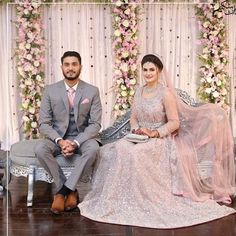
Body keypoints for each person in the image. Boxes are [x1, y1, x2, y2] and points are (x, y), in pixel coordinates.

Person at [78, 54, 235, 228]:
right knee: (120, 149)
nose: (148, 73)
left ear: (159, 71)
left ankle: (142, 199)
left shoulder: (165, 93)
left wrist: (154, 132)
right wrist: (136, 129)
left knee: (136, 153)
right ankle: (121, 198)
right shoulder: (139, 91)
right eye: (145, 69)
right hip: (139, 135)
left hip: (159, 138)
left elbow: (174, 123)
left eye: (151, 69)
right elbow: (134, 118)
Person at [34, 51, 102, 215]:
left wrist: (76, 142)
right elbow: (44, 123)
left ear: (80, 67)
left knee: (93, 149)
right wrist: (60, 141)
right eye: (67, 64)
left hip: (83, 138)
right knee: (40, 149)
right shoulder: (50, 90)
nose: (70, 68)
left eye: (74, 64)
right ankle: (70, 190)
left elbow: (95, 124)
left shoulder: (92, 91)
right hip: (57, 138)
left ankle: (61, 192)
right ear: (61, 67)